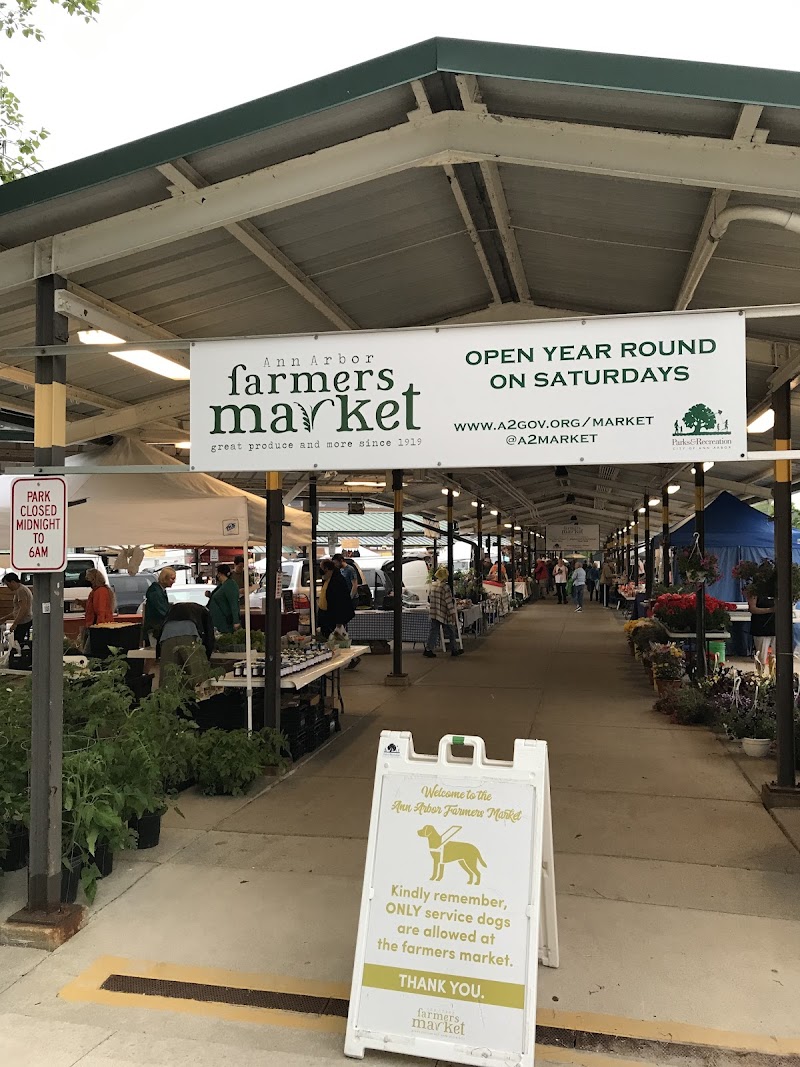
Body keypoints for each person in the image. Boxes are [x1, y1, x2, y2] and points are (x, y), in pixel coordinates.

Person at [158, 600, 215, 686]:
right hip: (189, 635)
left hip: (167, 636)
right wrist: (207, 655)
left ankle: (167, 698)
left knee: (168, 678)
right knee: (198, 676)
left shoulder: (174, 609)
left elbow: (160, 628)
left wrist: (158, 653)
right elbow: (209, 636)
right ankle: (202, 697)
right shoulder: (205, 612)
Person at [424, 566, 463, 658]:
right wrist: (453, 613)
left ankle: (428, 649)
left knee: (433, 631)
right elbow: (448, 601)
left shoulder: (433, 585)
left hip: (434, 612)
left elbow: (430, 598)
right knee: (451, 631)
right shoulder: (445, 587)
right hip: (444, 613)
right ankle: (454, 649)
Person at [318, 558, 355, 638]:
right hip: (325, 615)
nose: (320, 571)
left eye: (321, 568)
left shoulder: (338, 581)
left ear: (326, 569)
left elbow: (341, 602)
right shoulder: (326, 579)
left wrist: (339, 622)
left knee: (336, 640)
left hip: (334, 617)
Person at [144, 567, 176, 644]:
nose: (174, 581)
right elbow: (162, 610)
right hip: (155, 629)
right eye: (172, 579)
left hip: (156, 628)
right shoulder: (156, 592)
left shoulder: (159, 590)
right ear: (165, 578)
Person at [206, 564, 241, 634]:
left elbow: (233, 603)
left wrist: (236, 622)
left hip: (224, 623)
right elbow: (219, 598)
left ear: (220, 573)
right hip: (217, 622)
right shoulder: (223, 585)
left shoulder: (230, 585)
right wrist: (210, 595)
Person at [1, 573, 33, 649]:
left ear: (13, 582)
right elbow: (17, 610)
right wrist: (5, 618)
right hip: (23, 620)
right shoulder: (21, 589)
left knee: (17, 643)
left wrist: (15, 624)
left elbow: (23, 608)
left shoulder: (21, 591)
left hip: (24, 621)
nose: (8, 587)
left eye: (8, 584)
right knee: (17, 642)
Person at [747, 587, 775, 664]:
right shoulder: (754, 591)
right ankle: (760, 674)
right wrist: (770, 610)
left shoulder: (777, 589)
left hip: (776, 627)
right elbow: (752, 609)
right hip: (761, 628)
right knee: (761, 657)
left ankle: (775, 674)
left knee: (776, 658)